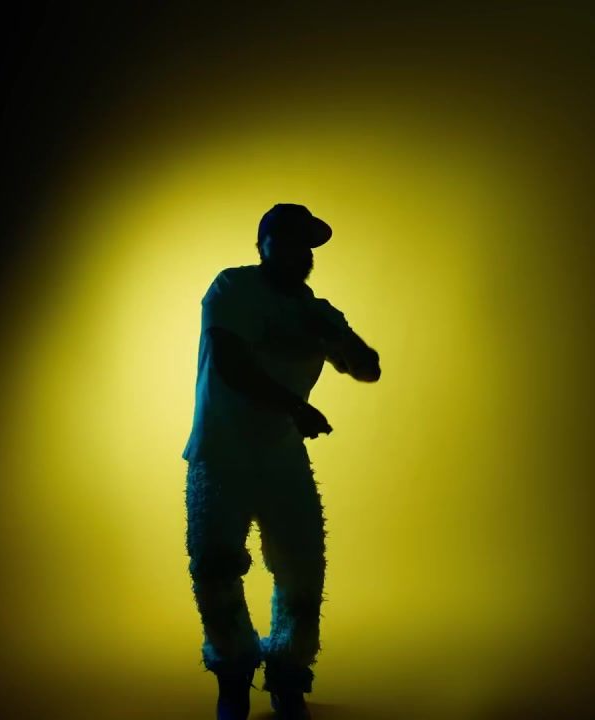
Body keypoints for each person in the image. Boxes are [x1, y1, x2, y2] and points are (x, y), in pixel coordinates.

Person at [182, 204, 382, 719]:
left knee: (301, 570)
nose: (297, 252)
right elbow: (231, 363)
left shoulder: (316, 311)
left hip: (282, 459)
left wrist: (337, 337)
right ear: (262, 245)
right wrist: (294, 405)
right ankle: (233, 676)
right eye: (285, 241)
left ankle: (288, 678)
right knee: (215, 567)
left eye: (305, 245)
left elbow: (368, 369)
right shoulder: (232, 288)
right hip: (219, 455)